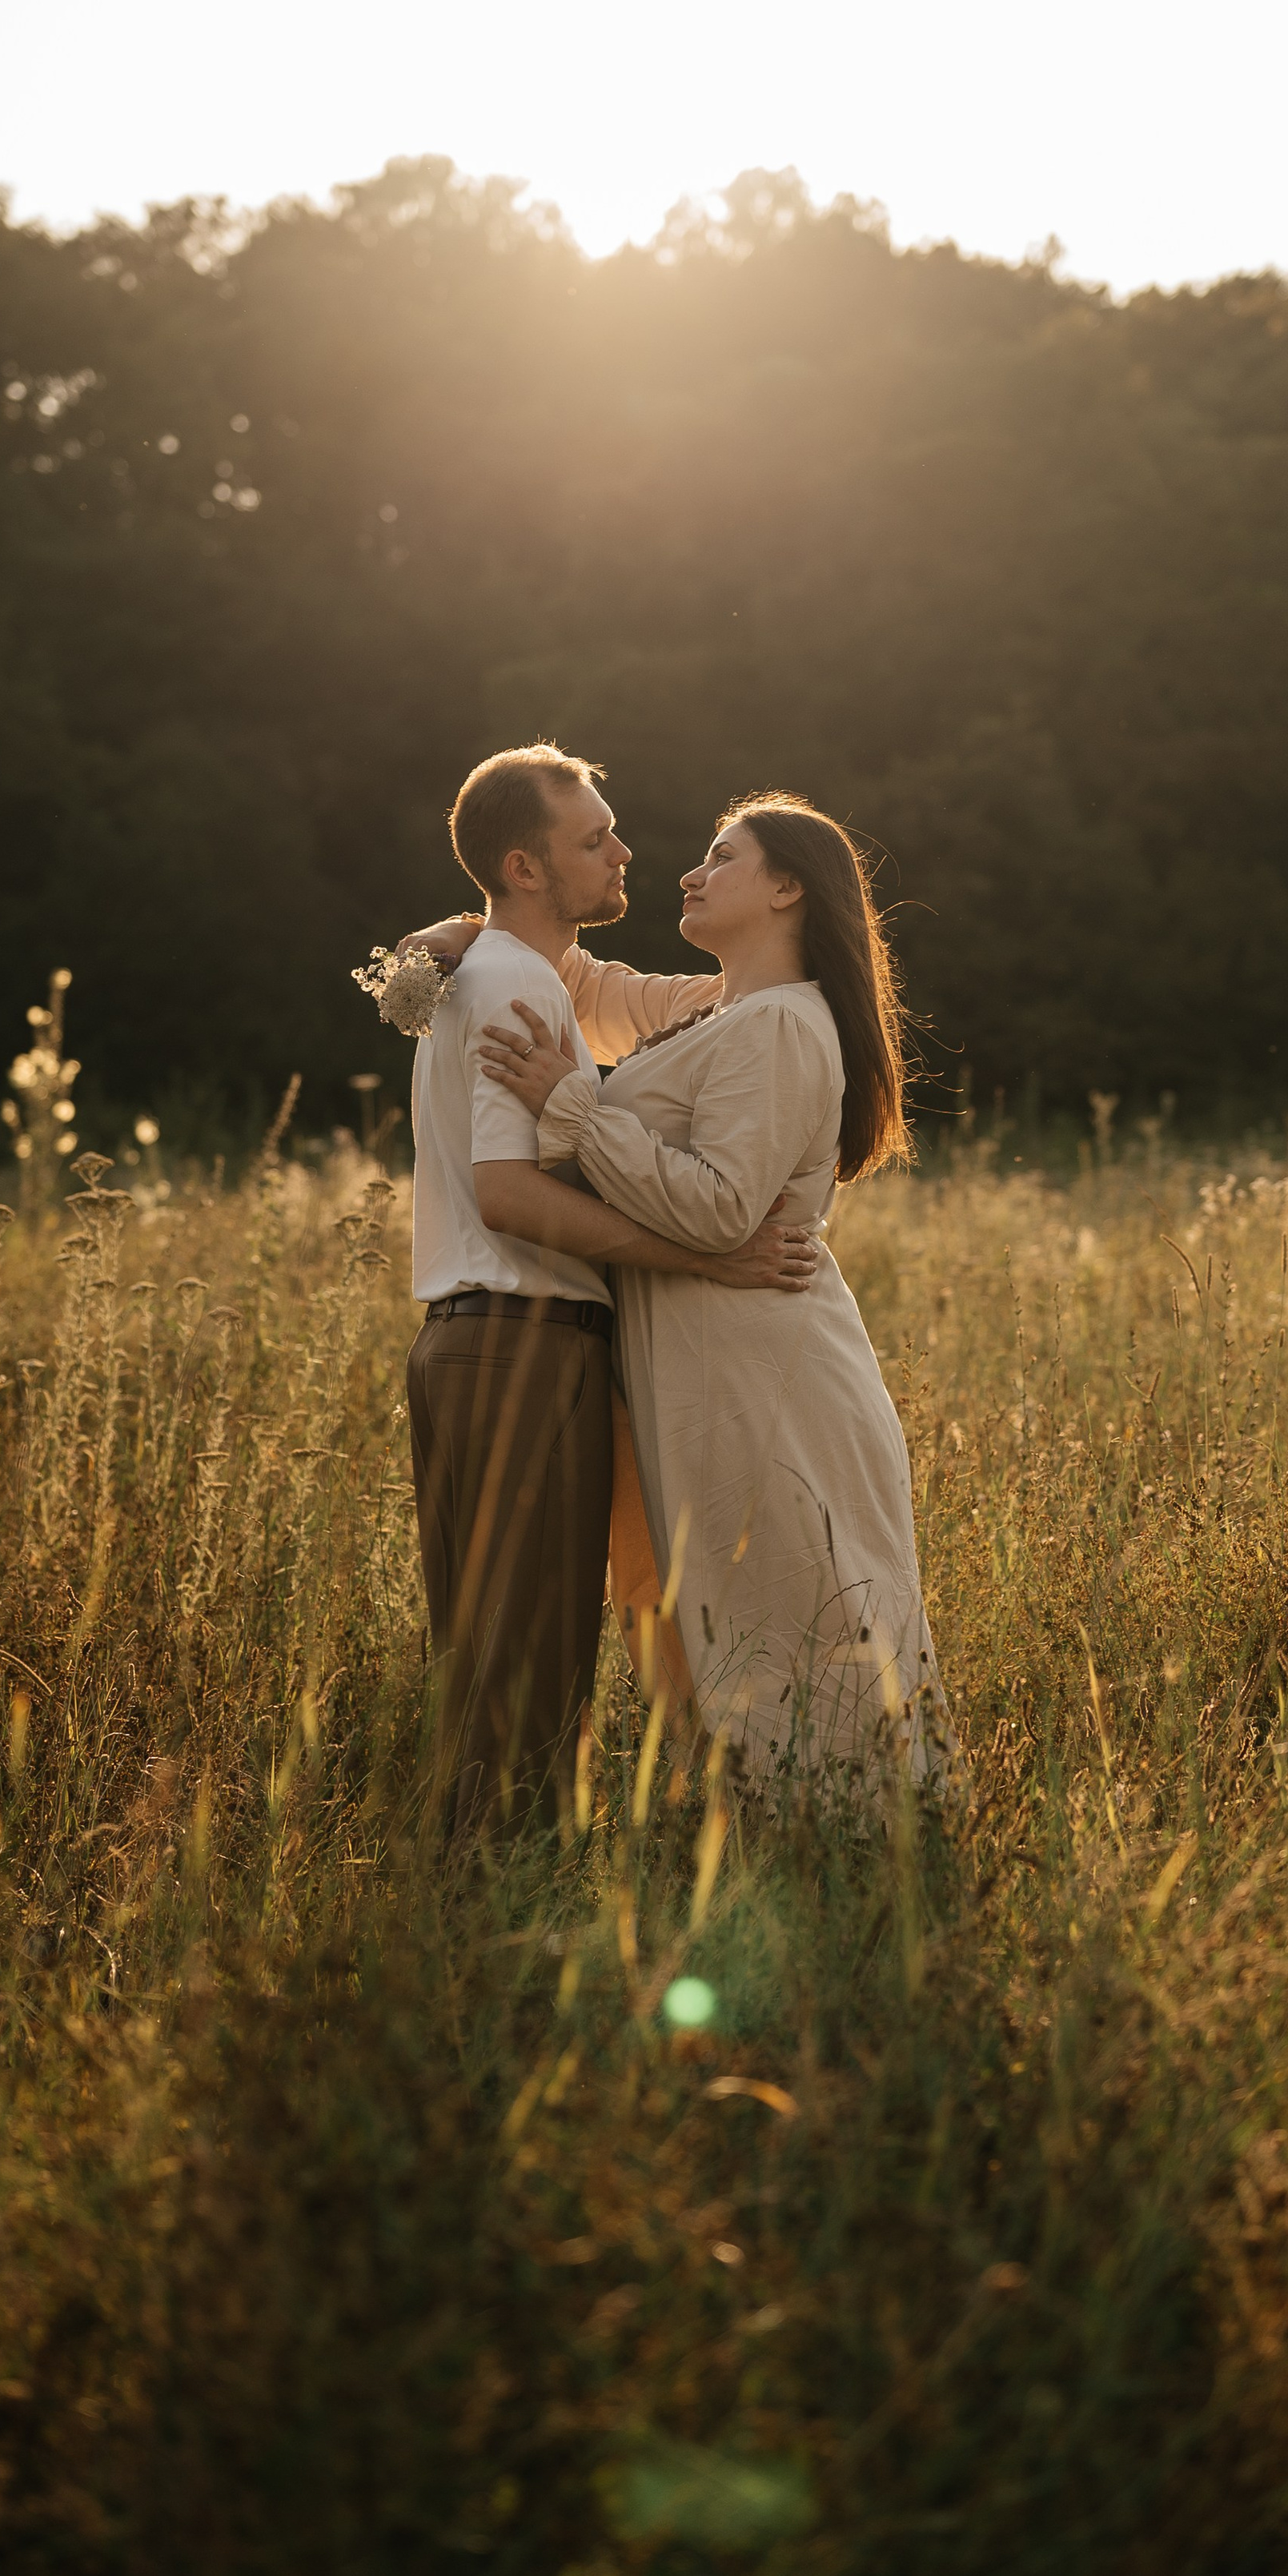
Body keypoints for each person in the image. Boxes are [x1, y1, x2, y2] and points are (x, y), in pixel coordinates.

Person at [475, 792, 950, 1784]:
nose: (688, 873)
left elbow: (724, 1208)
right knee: (731, 1614)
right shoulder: (714, 1010)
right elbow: (585, 982)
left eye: (719, 857)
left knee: (791, 1609)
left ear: (787, 887)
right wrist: (457, 928)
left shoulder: (780, 1024)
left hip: (760, 1371)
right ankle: (763, 1838)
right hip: (708, 1364)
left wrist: (573, 1103)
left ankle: (847, 1846)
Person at [405, 744, 817, 1835]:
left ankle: (475, 1916)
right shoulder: (517, 980)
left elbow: (720, 1007)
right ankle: (497, 1934)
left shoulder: (506, 969)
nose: (623, 851)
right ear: (524, 867)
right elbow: (507, 1192)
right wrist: (704, 1254)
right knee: (527, 1687)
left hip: (479, 1341)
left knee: (491, 1675)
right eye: (593, 839)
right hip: (522, 1342)